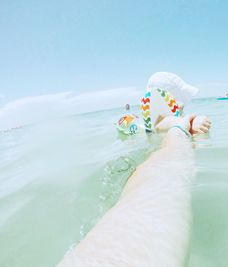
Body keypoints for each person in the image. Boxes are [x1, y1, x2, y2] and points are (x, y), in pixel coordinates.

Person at [57, 74, 211, 266]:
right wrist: (185, 124)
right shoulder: (166, 122)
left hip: (141, 166)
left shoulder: (143, 125)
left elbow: (130, 126)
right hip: (158, 166)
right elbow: (161, 124)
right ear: (175, 102)